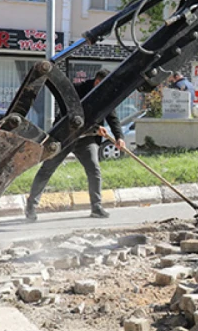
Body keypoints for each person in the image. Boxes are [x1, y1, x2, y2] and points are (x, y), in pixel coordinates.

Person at [25, 69, 125, 221]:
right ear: (97, 82)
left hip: (86, 140)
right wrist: (95, 128)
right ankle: (31, 207)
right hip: (65, 137)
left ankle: (96, 207)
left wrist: (119, 137)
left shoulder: (105, 94)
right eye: (104, 85)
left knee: (94, 169)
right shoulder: (77, 91)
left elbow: (112, 116)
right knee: (47, 169)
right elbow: (72, 118)